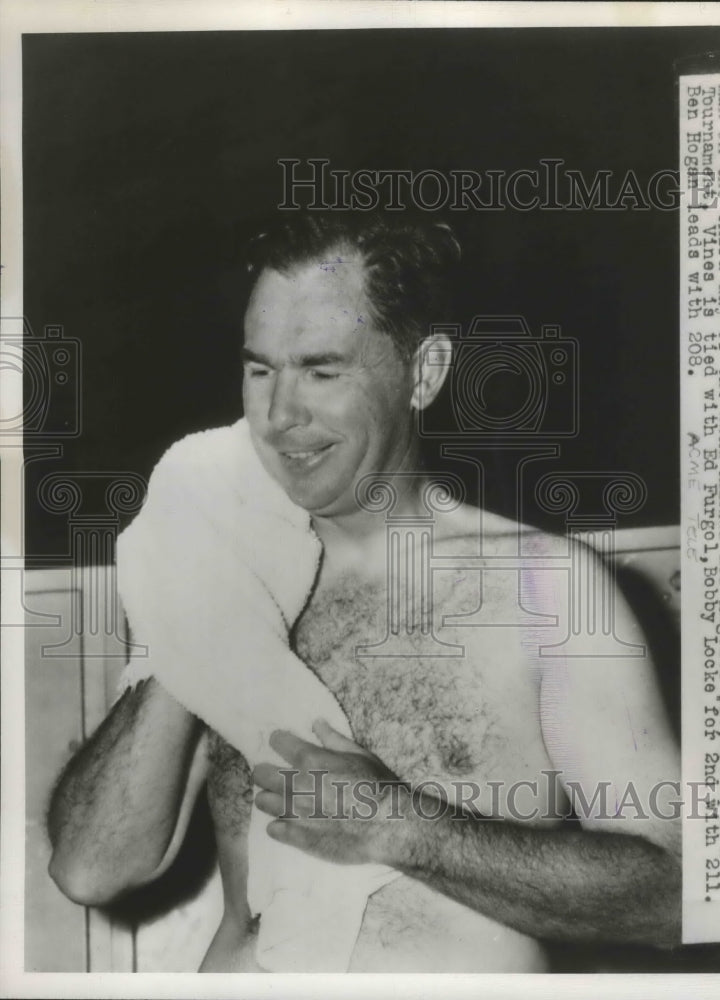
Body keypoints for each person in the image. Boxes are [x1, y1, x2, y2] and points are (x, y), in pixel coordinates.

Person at [47, 214, 681, 973]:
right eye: (260, 370)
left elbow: (677, 895)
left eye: (322, 370)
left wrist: (405, 829)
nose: (280, 416)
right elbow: (92, 868)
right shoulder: (219, 580)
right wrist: (201, 610)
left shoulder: (548, 586)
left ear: (425, 372)